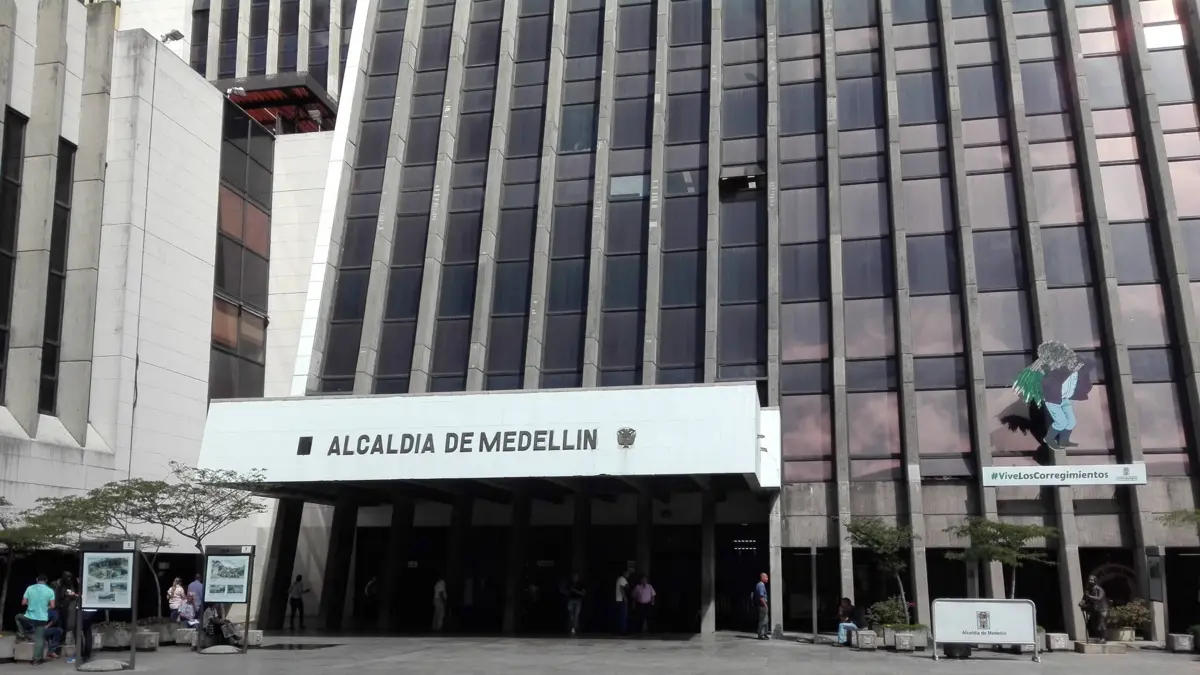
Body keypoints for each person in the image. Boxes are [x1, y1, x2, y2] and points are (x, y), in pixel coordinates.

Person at [19, 574, 56, 665]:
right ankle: (36, 660)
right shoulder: (50, 590)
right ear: (46, 581)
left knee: (18, 617)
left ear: (36, 579)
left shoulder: (30, 588)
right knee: (39, 639)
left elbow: (23, 603)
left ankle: (21, 634)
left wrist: (31, 604)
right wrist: (45, 607)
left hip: (29, 617)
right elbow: (52, 606)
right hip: (41, 618)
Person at [754, 572, 770, 640]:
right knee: (763, 620)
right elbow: (761, 597)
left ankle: (764, 633)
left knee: (766, 620)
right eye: (766, 577)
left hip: (763, 604)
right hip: (762, 605)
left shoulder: (762, 585)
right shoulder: (760, 585)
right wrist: (765, 605)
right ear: (762, 578)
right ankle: (760, 634)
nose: (767, 578)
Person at [614, 569, 631, 634]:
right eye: (627, 573)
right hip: (621, 600)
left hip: (619, 600)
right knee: (623, 615)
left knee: (621, 615)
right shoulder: (622, 579)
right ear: (624, 573)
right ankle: (622, 631)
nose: (628, 575)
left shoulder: (620, 579)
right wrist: (624, 597)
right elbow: (622, 588)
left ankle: (621, 630)